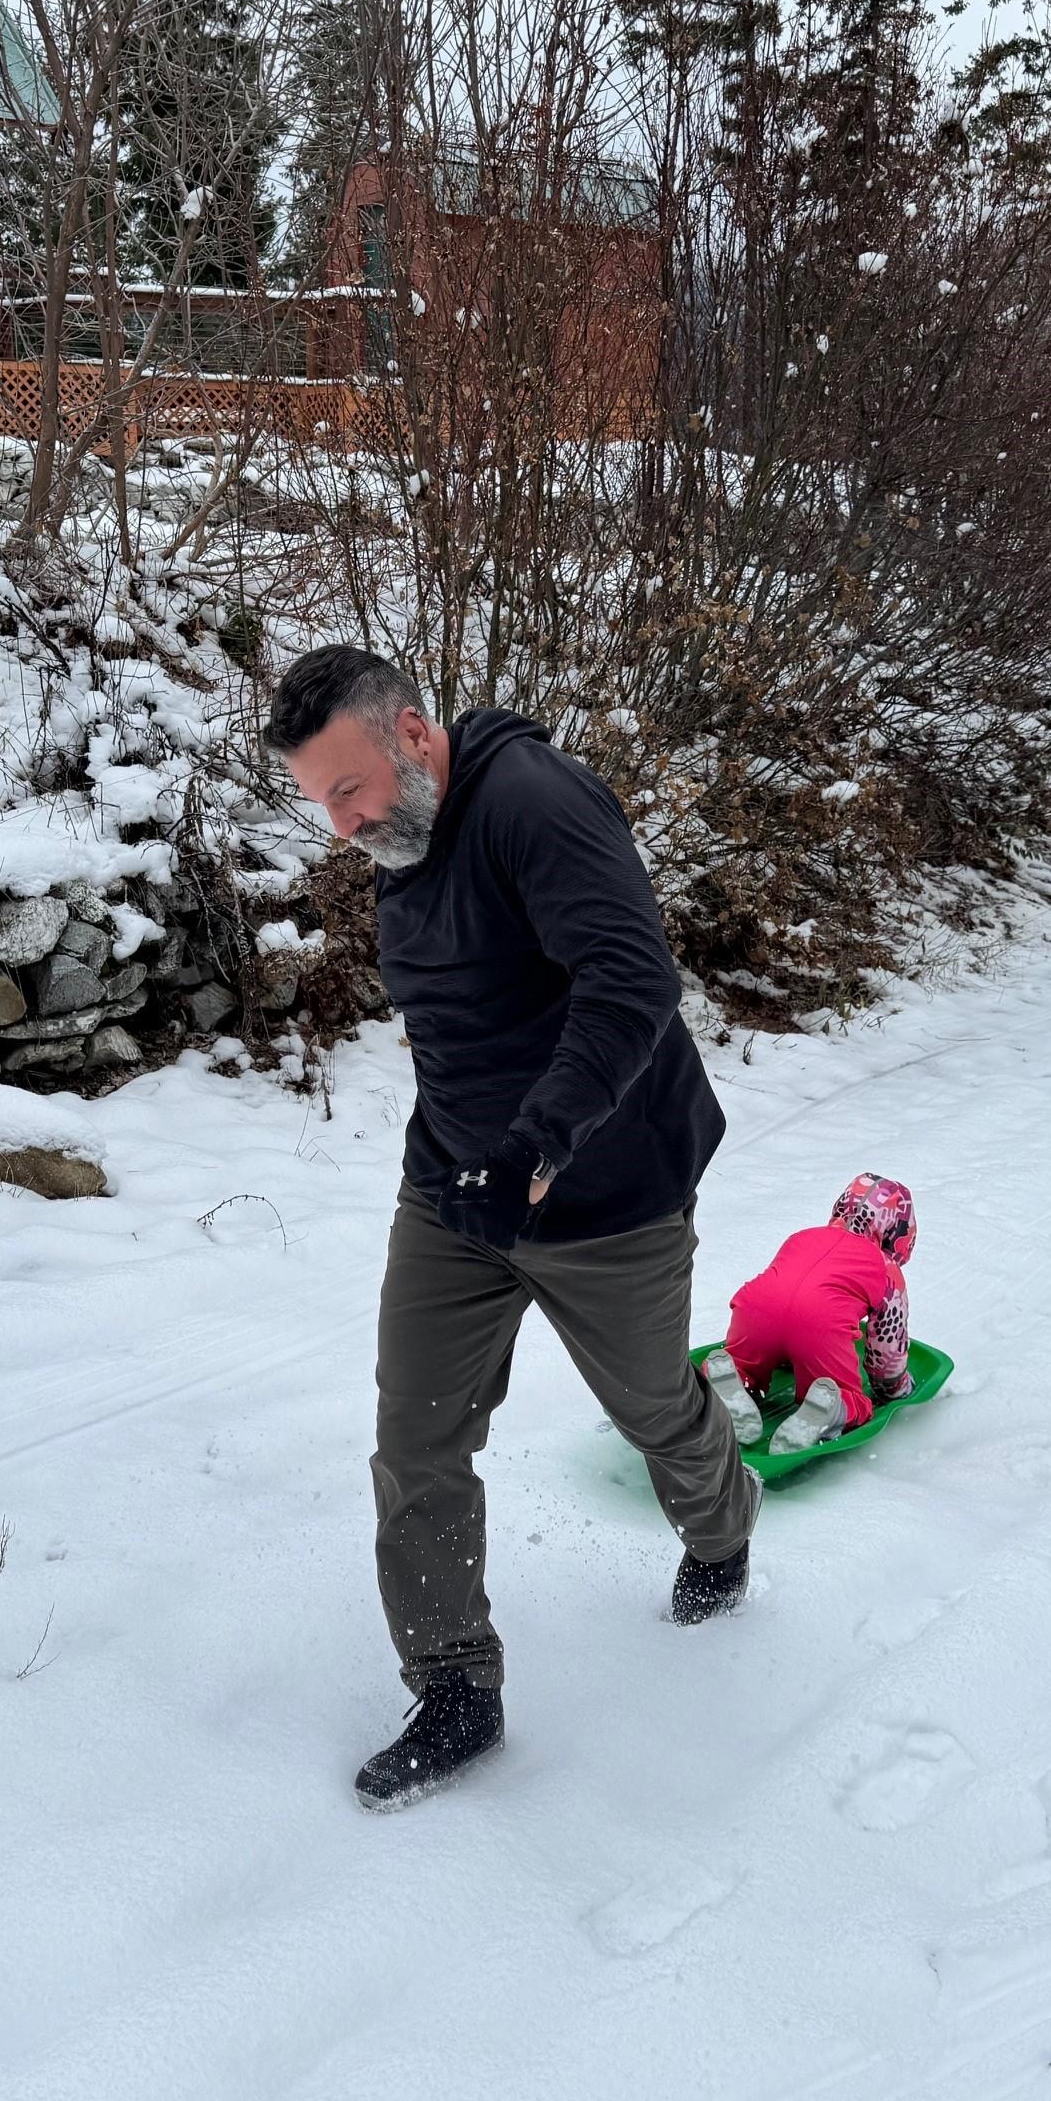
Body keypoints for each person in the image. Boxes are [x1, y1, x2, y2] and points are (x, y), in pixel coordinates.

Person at [266, 645, 760, 1812]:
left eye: (350, 790)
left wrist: (538, 1145)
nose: (342, 826)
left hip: (605, 1194)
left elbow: (633, 980)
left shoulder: (536, 804)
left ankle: (721, 1526)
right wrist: (461, 1159)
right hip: (454, 1193)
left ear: (416, 735)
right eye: (322, 803)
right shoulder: (407, 834)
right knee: (417, 1435)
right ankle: (455, 1689)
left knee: (648, 1402)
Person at [705, 1175, 919, 1454]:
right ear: (898, 1231)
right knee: (852, 1399)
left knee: (747, 1361)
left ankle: (733, 1375)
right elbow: (885, 1356)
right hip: (819, 1327)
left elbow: (788, 1297)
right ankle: (831, 1407)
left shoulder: (802, 1237)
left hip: (754, 1308)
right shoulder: (886, 1269)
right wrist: (895, 1388)